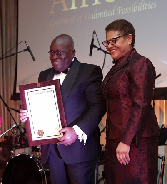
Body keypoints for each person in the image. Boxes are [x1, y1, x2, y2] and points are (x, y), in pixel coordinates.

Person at [20, 34, 105, 184]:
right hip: (52, 150)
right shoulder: (44, 75)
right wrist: (29, 115)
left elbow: (98, 106)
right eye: (52, 52)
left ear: (73, 52)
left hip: (79, 150)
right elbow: (42, 107)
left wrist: (77, 130)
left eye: (60, 52)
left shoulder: (89, 72)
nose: (54, 56)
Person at [101, 19, 160, 184]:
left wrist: (126, 141)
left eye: (114, 41)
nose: (109, 46)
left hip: (135, 143)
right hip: (115, 141)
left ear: (129, 38)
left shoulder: (140, 63)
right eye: (107, 42)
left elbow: (141, 106)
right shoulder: (115, 68)